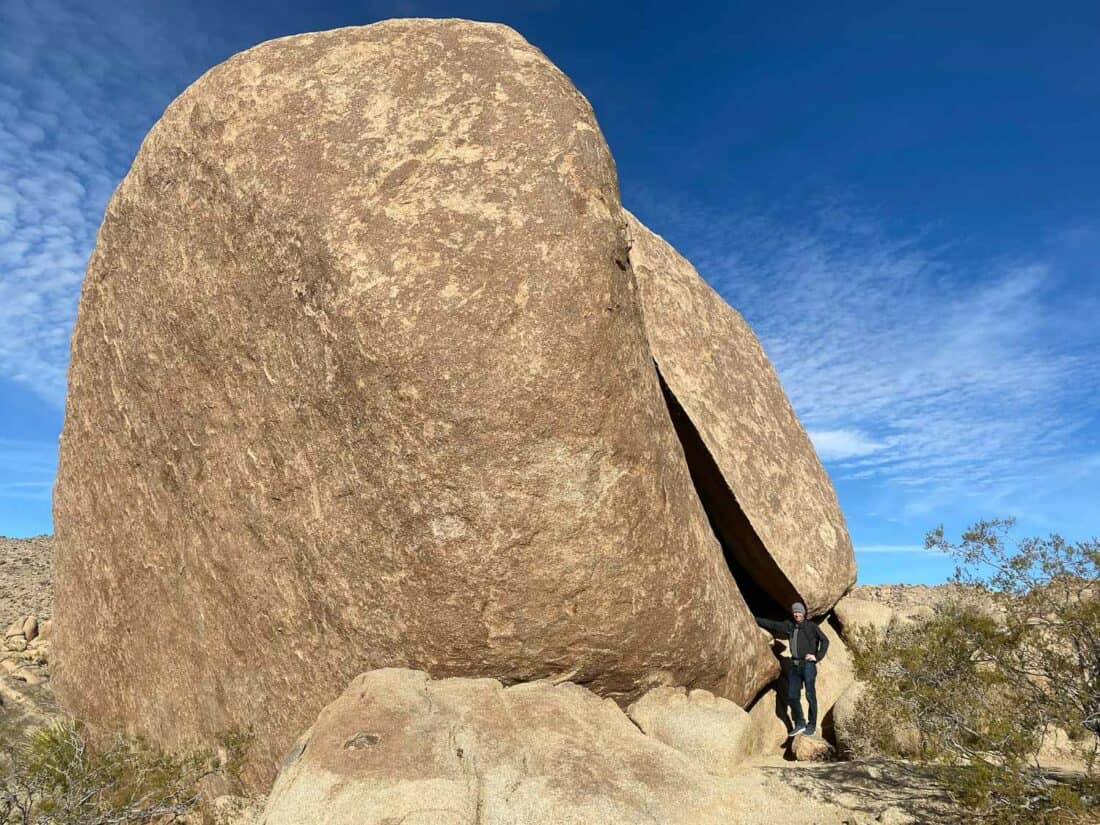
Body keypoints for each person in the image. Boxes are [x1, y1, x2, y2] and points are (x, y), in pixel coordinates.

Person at [755, 602, 829, 738]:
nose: (797, 614)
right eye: (795, 612)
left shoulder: (811, 627)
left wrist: (817, 657)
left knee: (810, 695)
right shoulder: (790, 626)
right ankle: (800, 723)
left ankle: (811, 725)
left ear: (804, 613)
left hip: (808, 665)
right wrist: (754, 619)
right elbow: (773, 624)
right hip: (795, 665)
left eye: (799, 612)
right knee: (792, 695)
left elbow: (825, 641)